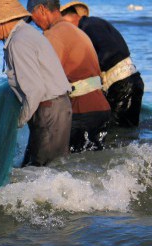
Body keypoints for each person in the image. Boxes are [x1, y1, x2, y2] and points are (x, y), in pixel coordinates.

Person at [0, 0, 72, 167]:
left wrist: (17, 122)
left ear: (2, 20)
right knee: (42, 168)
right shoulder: (25, 34)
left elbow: (35, 90)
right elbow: (25, 84)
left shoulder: (18, 42)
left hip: (48, 111)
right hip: (54, 109)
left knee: (42, 171)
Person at [27, 0, 111, 153]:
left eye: (32, 17)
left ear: (42, 10)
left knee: (65, 167)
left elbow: (43, 77)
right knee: (92, 167)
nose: (34, 24)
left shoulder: (52, 35)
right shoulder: (76, 30)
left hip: (82, 111)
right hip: (101, 108)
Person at [61, 1, 145, 128]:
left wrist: (90, 72)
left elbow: (109, 52)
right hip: (130, 81)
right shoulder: (95, 23)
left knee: (116, 132)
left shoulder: (89, 27)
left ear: (68, 18)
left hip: (122, 85)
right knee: (126, 130)